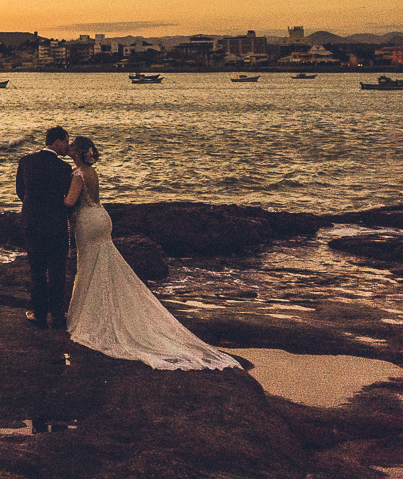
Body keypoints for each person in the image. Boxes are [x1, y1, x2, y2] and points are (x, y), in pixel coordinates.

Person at [64, 135, 240, 370]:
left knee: (88, 266)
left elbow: (69, 202)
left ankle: (90, 316)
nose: (70, 148)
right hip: (102, 217)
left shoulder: (77, 175)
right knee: (102, 264)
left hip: (88, 221)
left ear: (78, 151)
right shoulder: (91, 172)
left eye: (72, 146)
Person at [15, 126, 73, 330]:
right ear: (57, 143)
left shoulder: (26, 161)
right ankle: (57, 315)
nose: (67, 145)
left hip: (32, 222)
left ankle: (39, 314)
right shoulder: (65, 169)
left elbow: (20, 191)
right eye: (66, 141)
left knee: (37, 270)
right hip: (55, 223)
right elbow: (68, 198)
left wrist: (33, 207)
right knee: (57, 271)